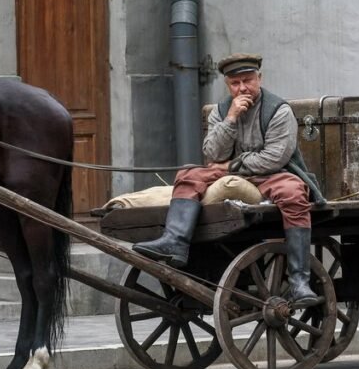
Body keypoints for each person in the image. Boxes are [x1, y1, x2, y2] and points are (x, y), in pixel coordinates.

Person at [132, 53, 326, 303]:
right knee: (188, 174)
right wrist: (231, 119)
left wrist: (231, 165)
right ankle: (175, 242)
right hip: (231, 172)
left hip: (273, 174)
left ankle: (299, 281)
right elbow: (212, 153)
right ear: (227, 85)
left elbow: (273, 159)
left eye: (248, 80)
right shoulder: (221, 111)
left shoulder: (279, 110)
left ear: (259, 78)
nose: (242, 88)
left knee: (294, 193)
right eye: (235, 83)